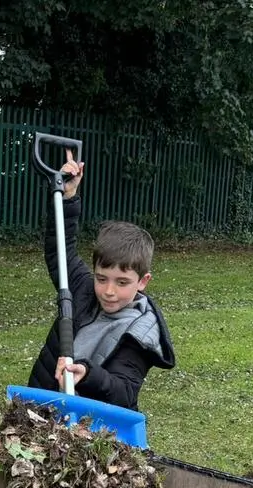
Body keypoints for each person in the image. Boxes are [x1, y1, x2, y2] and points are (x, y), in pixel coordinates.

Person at [28, 151, 176, 409]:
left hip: (93, 427)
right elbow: (60, 252)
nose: (108, 291)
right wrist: (68, 197)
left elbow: (125, 393)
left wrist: (87, 374)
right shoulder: (82, 289)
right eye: (101, 278)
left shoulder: (139, 332)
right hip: (43, 405)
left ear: (143, 281)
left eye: (122, 282)